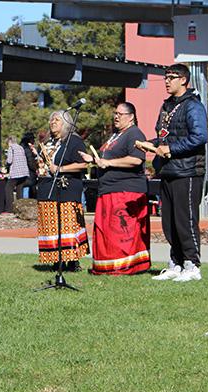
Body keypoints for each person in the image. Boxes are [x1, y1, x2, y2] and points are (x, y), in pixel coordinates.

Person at [140, 63, 208, 282]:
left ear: (184, 80)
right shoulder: (167, 106)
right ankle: (176, 263)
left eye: (172, 77)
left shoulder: (193, 106)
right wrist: (150, 144)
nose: (167, 81)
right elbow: (164, 137)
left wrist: (170, 149)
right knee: (168, 221)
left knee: (185, 219)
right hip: (168, 170)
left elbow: (199, 137)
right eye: (166, 77)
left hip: (187, 171)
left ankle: (192, 264)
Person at [80, 102, 150, 275]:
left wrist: (108, 162)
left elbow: (136, 159)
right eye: (115, 113)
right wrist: (93, 159)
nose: (116, 116)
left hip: (125, 191)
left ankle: (124, 267)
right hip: (109, 190)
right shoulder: (116, 135)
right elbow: (106, 158)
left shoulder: (134, 133)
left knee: (121, 231)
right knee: (107, 232)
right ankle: (107, 266)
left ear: (131, 116)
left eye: (120, 113)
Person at [36, 110, 90, 272]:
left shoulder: (73, 141)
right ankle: (55, 260)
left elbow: (83, 164)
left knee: (67, 225)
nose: (53, 122)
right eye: (51, 120)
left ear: (66, 123)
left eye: (57, 120)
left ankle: (72, 261)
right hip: (47, 188)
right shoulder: (48, 142)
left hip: (67, 188)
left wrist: (61, 168)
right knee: (50, 224)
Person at [5, 135, 30, 212]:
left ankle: (10, 208)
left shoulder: (11, 148)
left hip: (16, 173)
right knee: (20, 190)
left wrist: (6, 164)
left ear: (9, 141)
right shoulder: (20, 147)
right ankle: (20, 208)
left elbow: (9, 161)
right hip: (24, 172)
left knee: (8, 189)